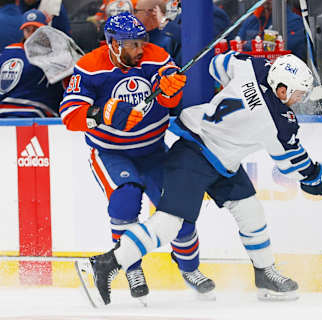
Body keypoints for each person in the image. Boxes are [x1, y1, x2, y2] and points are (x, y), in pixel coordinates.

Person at [86, 52, 322, 305]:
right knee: (170, 223)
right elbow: (292, 161)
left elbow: (218, 65)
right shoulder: (278, 122)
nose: (301, 99)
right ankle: (107, 263)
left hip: (221, 160)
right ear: (282, 89)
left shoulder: (254, 66)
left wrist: (236, 90)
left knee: (250, 210)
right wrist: (313, 176)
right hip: (194, 156)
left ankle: (264, 273)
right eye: (299, 93)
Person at [59, 12, 214, 302]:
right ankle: (130, 267)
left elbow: (169, 95)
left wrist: (171, 89)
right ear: (113, 45)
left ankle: (189, 267)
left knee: (178, 211)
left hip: (153, 151)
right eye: (131, 44)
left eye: (141, 42)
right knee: (125, 200)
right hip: (111, 152)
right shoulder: (90, 66)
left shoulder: (156, 56)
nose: (139, 49)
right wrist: (101, 113)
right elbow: (69, 115)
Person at [0, 9, 64, 117]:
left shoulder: (56, 54)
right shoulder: (8, 51)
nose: (31, 34)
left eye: (35, 29)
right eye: (27, 30)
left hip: (38, 114)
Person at [237, 0, 306, 61]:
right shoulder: (252, 20)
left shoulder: (295, 21)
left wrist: (248, 45)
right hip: (250, 69)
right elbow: (237, 44)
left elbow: (279, 48)